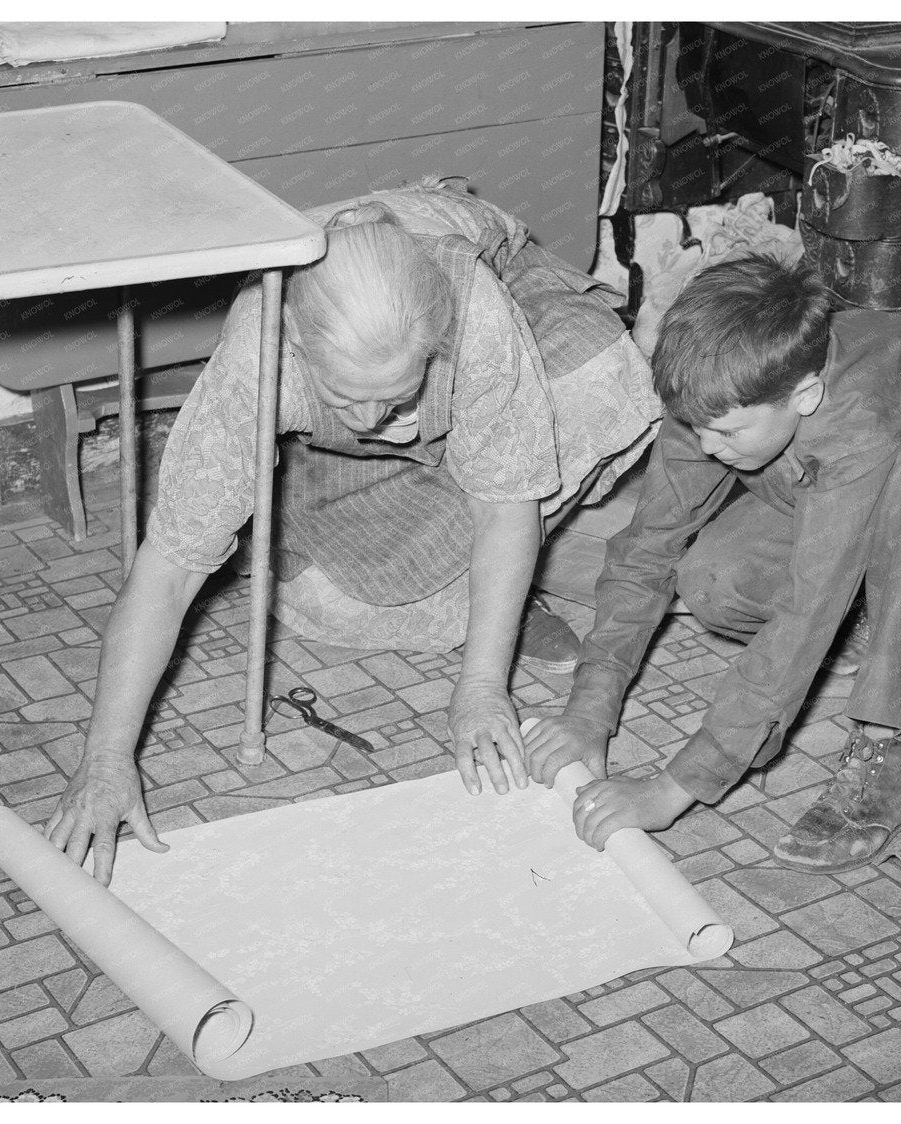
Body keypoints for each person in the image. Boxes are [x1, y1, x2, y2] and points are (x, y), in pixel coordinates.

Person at [46, 179, 662, 883]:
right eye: (350, 400)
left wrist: (482, 686)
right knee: (378, 606)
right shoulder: (260, 352)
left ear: (435, 347)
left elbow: (504, 504)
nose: (371, 422)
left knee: (600, 377)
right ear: (299, 350)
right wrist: (105, 759)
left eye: (395, 397)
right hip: (352, 430)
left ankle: (520, 562)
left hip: (507, 325)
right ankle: (357, 527)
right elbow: (172, 566)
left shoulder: (476, 311)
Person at [525, 252, 901, 872]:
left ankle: (890, 751)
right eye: (696, 429)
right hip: (871, 482)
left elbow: (804, 612)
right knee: (715, 577)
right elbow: (646, 547)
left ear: (805, 394)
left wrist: (674, 786)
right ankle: (879, 620)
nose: (707, 448)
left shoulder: (855, 421)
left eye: (728, 434)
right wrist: (588, 711)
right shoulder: (720, 394)